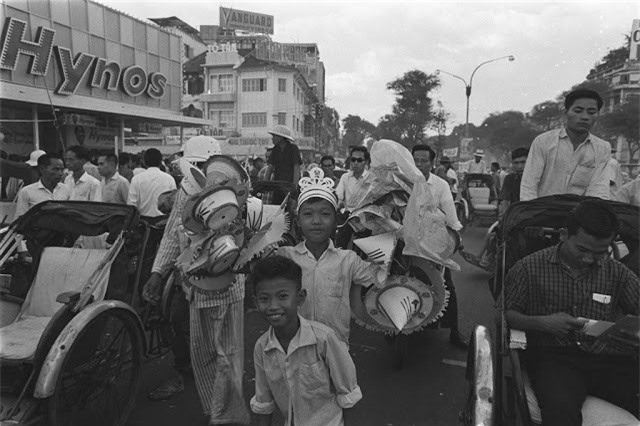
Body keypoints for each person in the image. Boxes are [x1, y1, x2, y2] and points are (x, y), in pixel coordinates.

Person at [500, 199, 639, 426]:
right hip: (555, 359)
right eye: (582, 249)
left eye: (600, 253)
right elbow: (505, 315)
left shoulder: (618, 273)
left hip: (609, 359)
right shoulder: (528, 268)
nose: (588, 259)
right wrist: (542, 323)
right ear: (564, 235)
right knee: (560, 414)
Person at [142, 141, 250, 425]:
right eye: (195, 166)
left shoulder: (235, 195)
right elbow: (171, 236)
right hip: (193, 288)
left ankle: (228, 416)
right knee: (202, 355)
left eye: (204, 166)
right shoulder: (184, 194)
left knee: (227, 355)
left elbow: (244, 242)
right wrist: (157, 272)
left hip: (228, 287)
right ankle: (215, 411)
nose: (200, 172)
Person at [250, 255, 362, 426]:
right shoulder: (262, 348)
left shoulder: (324, 339)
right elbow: (263, 404)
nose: (273, 306)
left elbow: (349, 396)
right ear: (255, 302)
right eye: (264, 299)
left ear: (300, 297)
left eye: (282, 296)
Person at [277, 167, 378, 345]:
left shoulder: (349, 260)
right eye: (308, 214)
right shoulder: (286, 258)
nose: (316, 221)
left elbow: (379, 276)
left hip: (336, 350)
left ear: (335, 221)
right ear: (298, 221)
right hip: (294, 349)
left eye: (325, 214)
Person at [411, 145, 467, 348]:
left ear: (431, 163)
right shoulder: (401, 182)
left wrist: (456, 234)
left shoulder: (441, 185)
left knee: (446, 284)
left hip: (433, 241)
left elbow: (451, 216)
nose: (419, 164)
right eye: (415, 160)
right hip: (405, 240)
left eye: (423, 160)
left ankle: (454, 332)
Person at [520, 89, 611, 201]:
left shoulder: (603, 148)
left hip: (580, 215)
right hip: (543, 212)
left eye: (591, 112)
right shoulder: (543, 142)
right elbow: (529, 185)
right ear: (566, 113)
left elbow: (599, 190)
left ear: (597, 115)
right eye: (578, 111)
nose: (585, 117)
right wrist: (531, 214)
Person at [461, 147, 530, 269]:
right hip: (513, 217)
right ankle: (487, 258)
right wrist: (503, 216)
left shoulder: (536, 179)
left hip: (531, 217)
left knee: (493, 236)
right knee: (494, 235)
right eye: (516, 163)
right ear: (512, 164)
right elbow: (504, 201)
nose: (520, 166)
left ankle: (486, 258)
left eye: (523, 162)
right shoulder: (510, 179)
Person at [335, 146, 370, 248]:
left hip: (365, 218)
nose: (355, 163)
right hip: (348, 216)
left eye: (359, 160)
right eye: (353, 160)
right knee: (340, 246)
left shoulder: (371, 179)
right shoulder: (345, 177)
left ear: (366, 162)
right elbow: (339, 196)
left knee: (362, 250)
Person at [15, 153, 69, 219]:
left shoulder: (67, 189)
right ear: (42, 169)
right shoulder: (26, 192)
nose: (60, 173)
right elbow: (20, 220)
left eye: (62, 169)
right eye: (55, 169)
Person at [127, 148, 176, 220]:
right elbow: (173, 204)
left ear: (144, 162)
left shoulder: (136, 179)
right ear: (160, 162)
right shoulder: (169, 179)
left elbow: (131, 206)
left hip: (142, 224)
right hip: (163, 223)